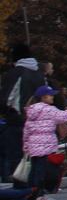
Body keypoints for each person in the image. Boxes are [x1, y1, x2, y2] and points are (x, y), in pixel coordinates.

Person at [21, 85, 67, 196]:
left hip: (33, 148)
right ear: (43, 97)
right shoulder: (49, 110)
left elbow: (26, 131)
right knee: (44, 172)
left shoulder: (31, 111)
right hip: (46, 146)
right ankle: (38, 192)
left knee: (35, 170)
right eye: (50, 95)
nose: (53, 97)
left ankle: (31, 191)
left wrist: (26, 145)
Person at [1, 45, 46, 183]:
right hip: (38, 121)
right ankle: (37, 187)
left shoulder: (15, 73)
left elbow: (7, 99)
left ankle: (22, 187)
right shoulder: (39, 74)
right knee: (36, 156)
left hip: (18, 121)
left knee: (17, 156)